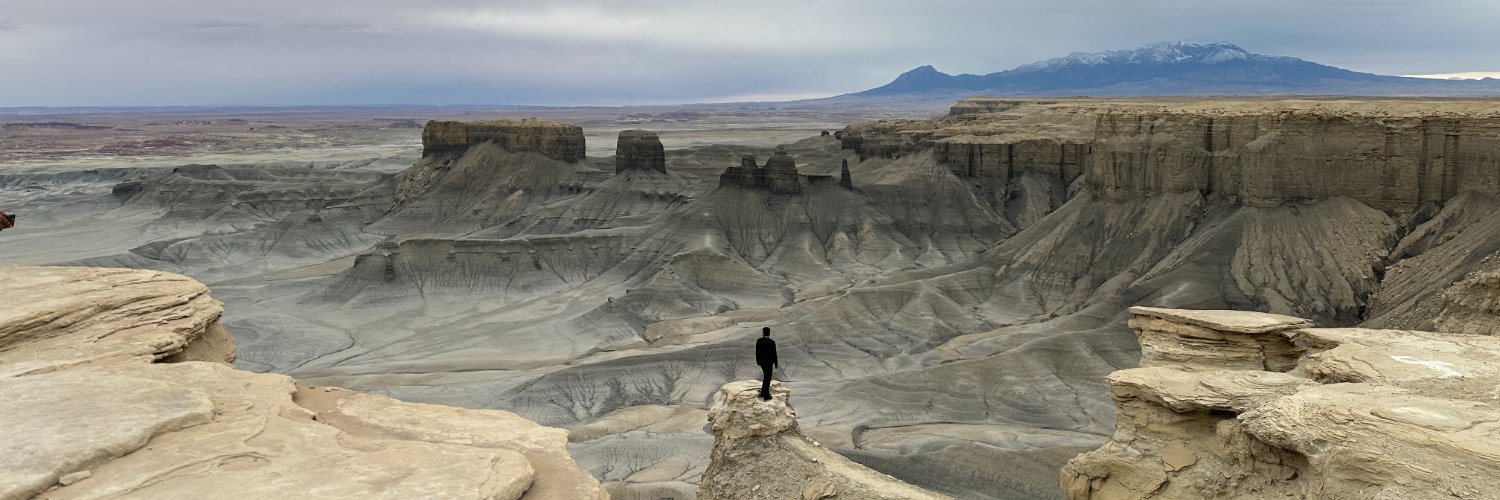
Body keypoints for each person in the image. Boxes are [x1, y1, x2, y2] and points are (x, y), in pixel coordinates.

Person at [755, 326, 778, 400]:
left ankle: (763, 392)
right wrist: (776, 363)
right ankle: (766, 395)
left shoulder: (759, 341)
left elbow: (757, 352)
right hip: (769, 362)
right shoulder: (771, 342)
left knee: (766, 377)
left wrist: (758, 361)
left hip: (762, 362)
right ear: (769, 333)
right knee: (767, 378)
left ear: (763, 333)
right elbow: (774, 353)